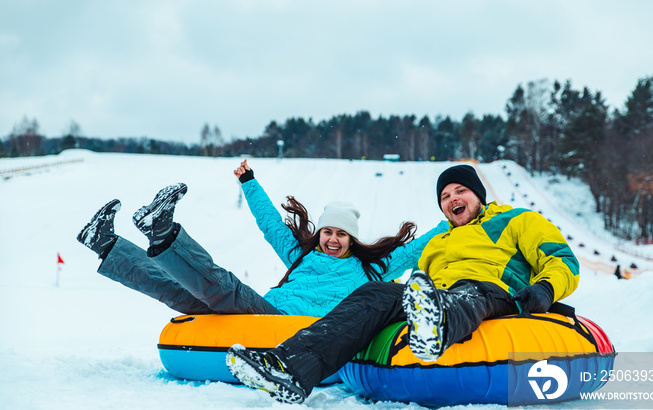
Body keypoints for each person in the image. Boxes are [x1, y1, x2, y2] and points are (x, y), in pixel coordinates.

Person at [226, 164, 580, 404]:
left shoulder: (517, 219)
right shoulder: (439, 242)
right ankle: (289, 369)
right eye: (445, 196)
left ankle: (436, 327)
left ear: (478, 194)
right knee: (375, 292)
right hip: (438, 295)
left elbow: (563, 260)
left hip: (492, 291)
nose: (453, 199)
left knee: (469, 291)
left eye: (461, 191)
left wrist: (545, 290)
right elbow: (415, 286)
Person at [76, 160, 448, 317]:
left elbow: (418, 247)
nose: (333, 239)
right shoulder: (301, 256)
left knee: (224, 286)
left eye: (341, 234)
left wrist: (454, 221)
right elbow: (271, 224)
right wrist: (249, 182)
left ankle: (162, 231)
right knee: (179, 289)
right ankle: (106, 243)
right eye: (328, 231)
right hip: (263, 312)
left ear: (352, 239)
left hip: (284, 324)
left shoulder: (371, 270)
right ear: (320, 233)